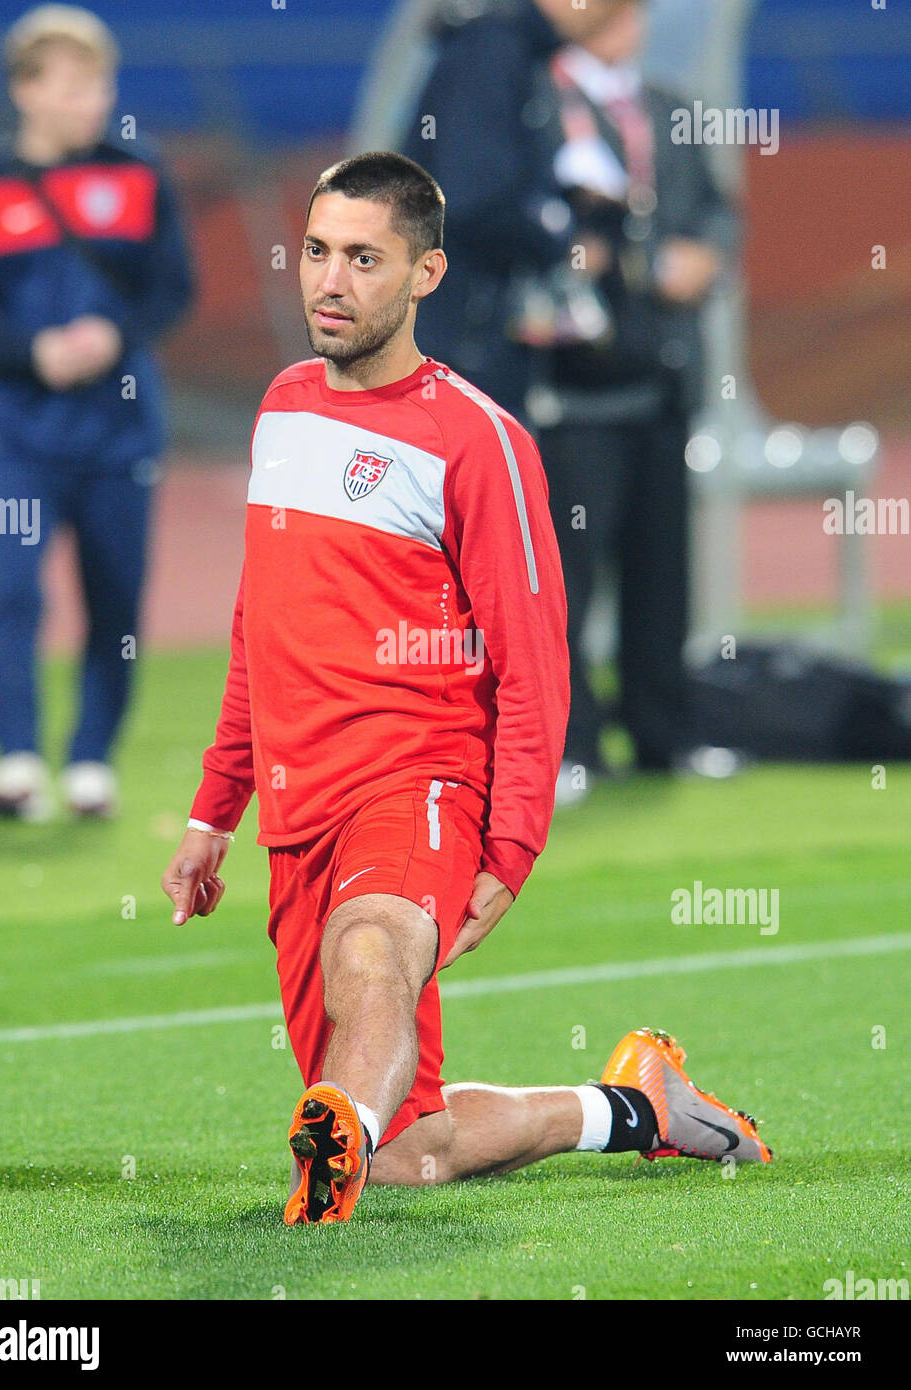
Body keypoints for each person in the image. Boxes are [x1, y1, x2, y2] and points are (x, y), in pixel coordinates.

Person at [161, 151, 771, 1226]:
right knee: (416, 1153)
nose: (328, 282)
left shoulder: (477, 441)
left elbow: (536, 659)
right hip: (297, 814)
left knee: (373, 950)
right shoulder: (284, 406)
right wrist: (218, 808)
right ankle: (631, 1103)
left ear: (425, 275)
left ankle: (333, 1135)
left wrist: (514, 841)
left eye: (362, 258)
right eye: (315, 253)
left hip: (419, 782)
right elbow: (260, 624)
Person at [0, 4, 193, 820]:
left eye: (101, 81)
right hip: (20, 428)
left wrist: (107, 334)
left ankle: (92, 758)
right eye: (75, 82)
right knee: (15, 588)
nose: (95, 98)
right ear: (26, 89)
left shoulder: (138, 171)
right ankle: (16, 759)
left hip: (121, 428)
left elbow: (172, 288)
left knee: (116, 594)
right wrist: (32, 354)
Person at [533, 0, 738, 800]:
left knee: (663, 570)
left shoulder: (668, 108)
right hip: (578, 382)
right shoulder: (541, 105)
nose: (629, 22)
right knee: (567, 578)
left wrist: (706, 256)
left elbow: (717, 211)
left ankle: (665, 735)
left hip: (664, 373)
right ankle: (570, 745)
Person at [399, 0, 617, 422]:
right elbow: (473, 195)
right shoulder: (495, 48)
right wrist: (560, 237)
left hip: (466, 331)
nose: (603, 13)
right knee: (467, 479)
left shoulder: (512, 47)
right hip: (463, 337)